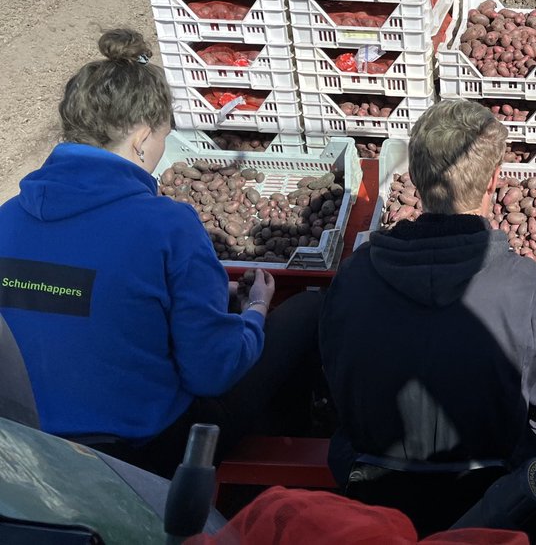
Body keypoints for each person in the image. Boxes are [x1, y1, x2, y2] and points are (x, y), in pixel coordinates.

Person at [0, 29, 322, 477]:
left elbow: (83, 298)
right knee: (307, 310)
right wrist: (256, 311)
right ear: (141, 138)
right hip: (138, 453)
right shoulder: (166, 225)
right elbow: (211, 371)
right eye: (163, 138)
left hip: (24, 448)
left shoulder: (6, 219)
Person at [320, 99, 536, 487]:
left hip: (373, 473)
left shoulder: (353, 276)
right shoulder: (527, 285)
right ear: (494, 180)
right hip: (494, 478)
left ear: (413, 175)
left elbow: (335, 379)